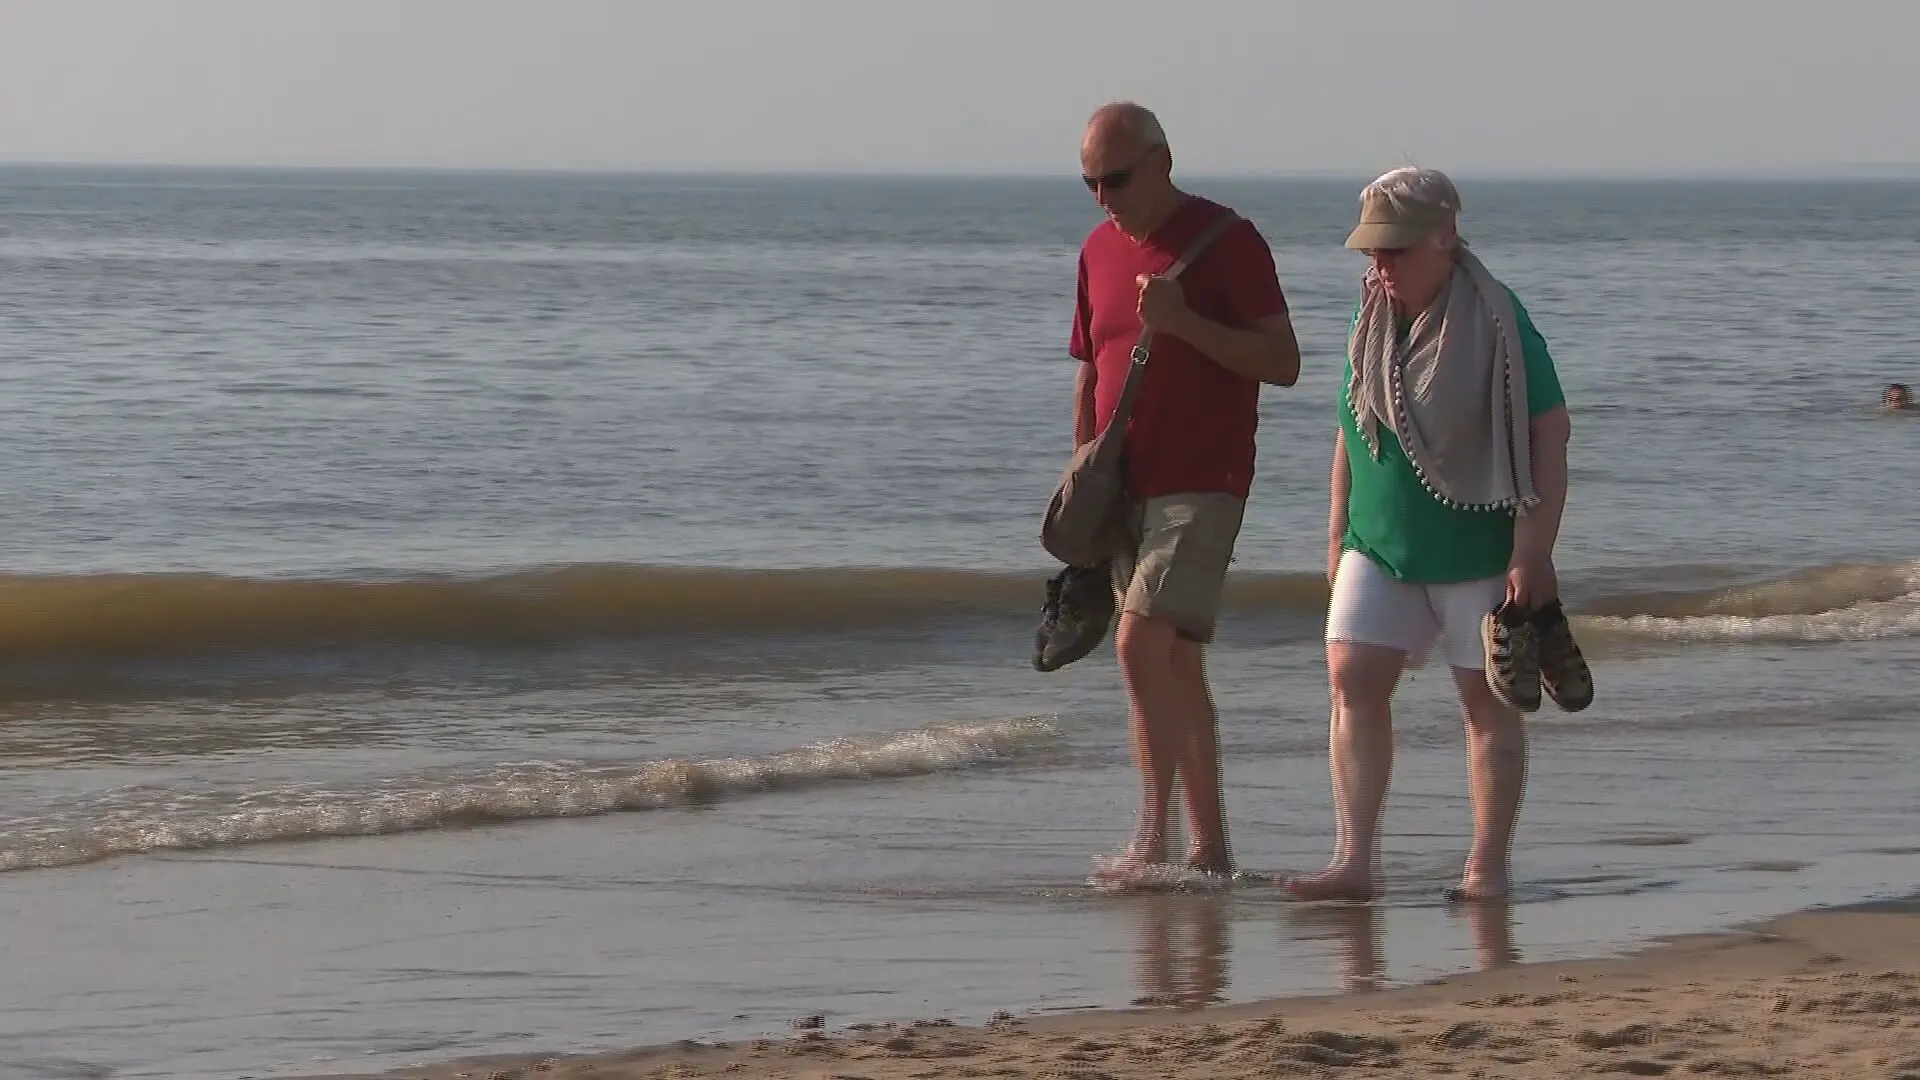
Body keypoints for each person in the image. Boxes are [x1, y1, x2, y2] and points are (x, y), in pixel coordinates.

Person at [1285, 166, 1586, 904]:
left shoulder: (1497, 321)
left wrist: (1532, 550)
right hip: (1379, 542)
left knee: (1486, 700)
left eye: (1394, 249)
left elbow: (1550, 430)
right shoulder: (1372, 316)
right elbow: (1351, 427)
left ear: (1444, 238)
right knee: (1351, 677)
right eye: (1371, 252)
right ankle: (1355, 861)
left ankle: (1487, 866)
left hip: (1475, 546)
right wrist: (1336, 534)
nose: (1379, 265)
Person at [1068, 102, 1301, 879]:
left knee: (1139, 645)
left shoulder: (1226, 242)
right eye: (1090, 182)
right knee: (1171, 664)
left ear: (1162, 161)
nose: (1104, 196)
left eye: (1117, 178)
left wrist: (1183, 322)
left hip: (1205, 478)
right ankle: (1208, 851)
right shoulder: (1097, 250)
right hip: (1122, 482)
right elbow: (1091, 366)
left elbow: (1283, 360)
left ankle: (1151, 836)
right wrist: (1081, 471)